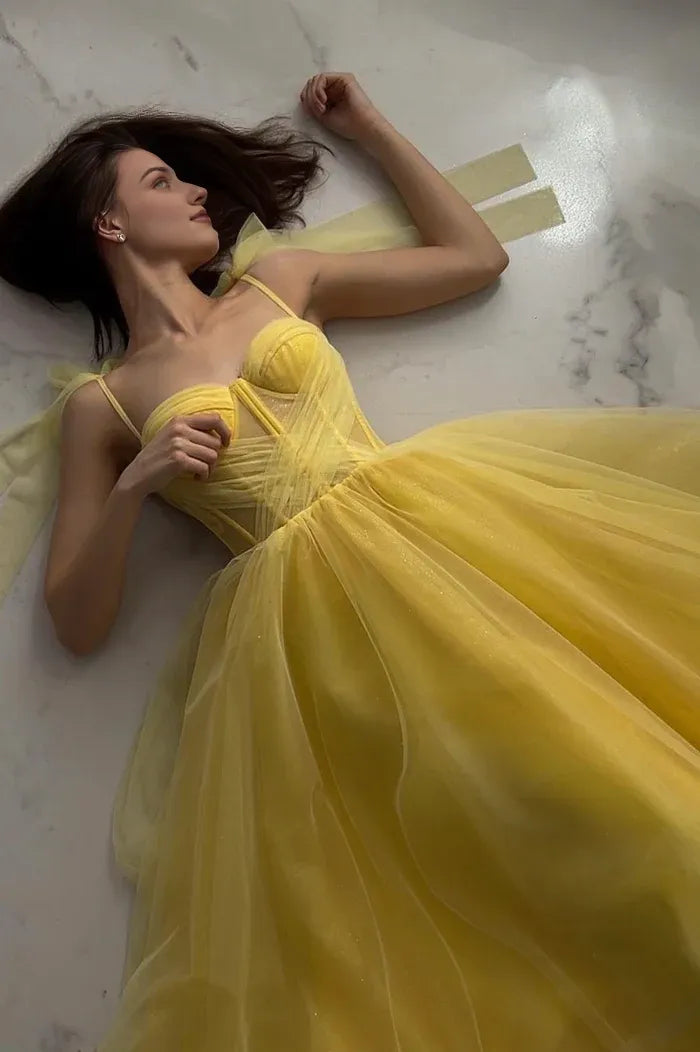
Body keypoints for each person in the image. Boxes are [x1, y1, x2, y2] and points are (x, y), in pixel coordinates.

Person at [0, 72, 698, 1051]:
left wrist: (370, 126)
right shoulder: (104, 406)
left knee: (606, 757)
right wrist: (133, 486)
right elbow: (76, 621)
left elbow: (475, 259)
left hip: (436, 535)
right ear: (107, 223)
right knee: (471, 833)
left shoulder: (276, 284)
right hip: (311, 635)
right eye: (162, 180)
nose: (196, 192)